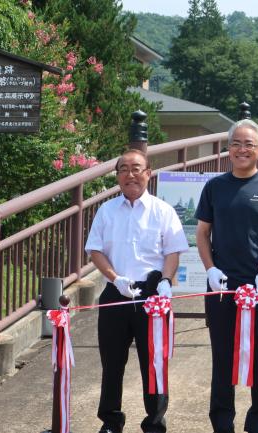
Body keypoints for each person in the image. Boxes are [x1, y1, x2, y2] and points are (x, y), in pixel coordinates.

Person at [195, 119, 258, 433]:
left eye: (249, 144)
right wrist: (210, 269)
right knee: (222, 357)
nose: (242, 149)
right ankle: (222, 422)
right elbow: (202, 234)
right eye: (236, 143)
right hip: (222, 287)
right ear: (228, 149)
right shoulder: (215, 187)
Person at [85, 149, 189, 433]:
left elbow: (172, 252)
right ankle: (110, 420)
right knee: (112, 361)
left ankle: (155, 421)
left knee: (155, 363)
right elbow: (95, 250)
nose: (130, 174)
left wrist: (167, 280)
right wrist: (115, 278)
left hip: (152, 295)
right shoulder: (106, 211)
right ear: (117, 175)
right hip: (116, 292)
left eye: (136, 168)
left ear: (148, 173)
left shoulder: (163, 210)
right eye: (123, 169)